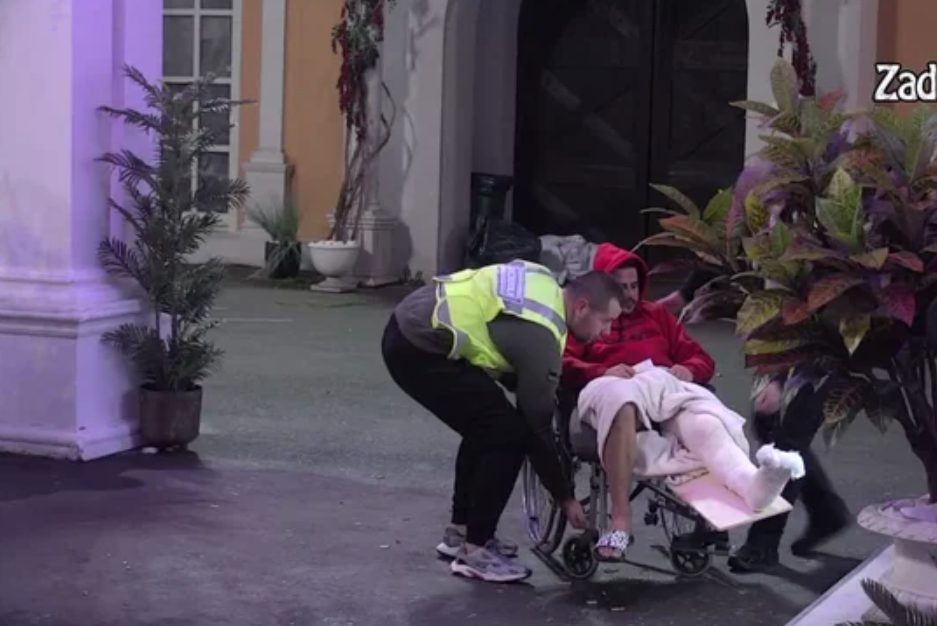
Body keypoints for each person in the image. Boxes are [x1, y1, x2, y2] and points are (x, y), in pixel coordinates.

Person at [380, 259, 627, 583]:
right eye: (605, 321)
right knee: (507, 436)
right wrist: (565, 497)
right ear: (581, 308)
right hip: (419, 345)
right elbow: (537, 429)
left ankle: (461, 533)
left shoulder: (543, 282)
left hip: (415, 318)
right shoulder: (542, 338)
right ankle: (475, 552)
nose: (606, 333)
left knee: (486, 424)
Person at [657, 267, 849, 572]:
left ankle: (763, 544)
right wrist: (684, 294)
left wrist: (781, 380)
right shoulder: (768, 245)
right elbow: (729, 252)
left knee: (787, 438)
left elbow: (814, 308)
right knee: (767, 425)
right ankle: (825, 509)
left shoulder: (806, 249)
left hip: (830, 339)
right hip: (790, 331)